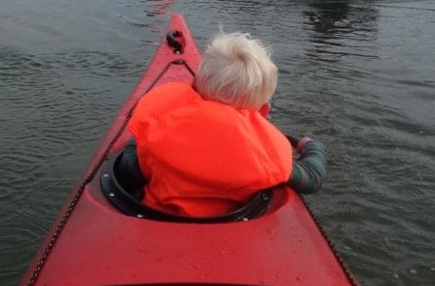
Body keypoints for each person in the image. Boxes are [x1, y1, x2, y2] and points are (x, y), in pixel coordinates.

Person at [115, 30, 326, 218]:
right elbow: (312, 178)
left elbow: (128, 173)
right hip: (232, 227)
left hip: (155, 219)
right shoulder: (267, 155)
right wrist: (312, 147)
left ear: (195, 86)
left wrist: (138, 141)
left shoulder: (157, 131)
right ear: (263, 111)